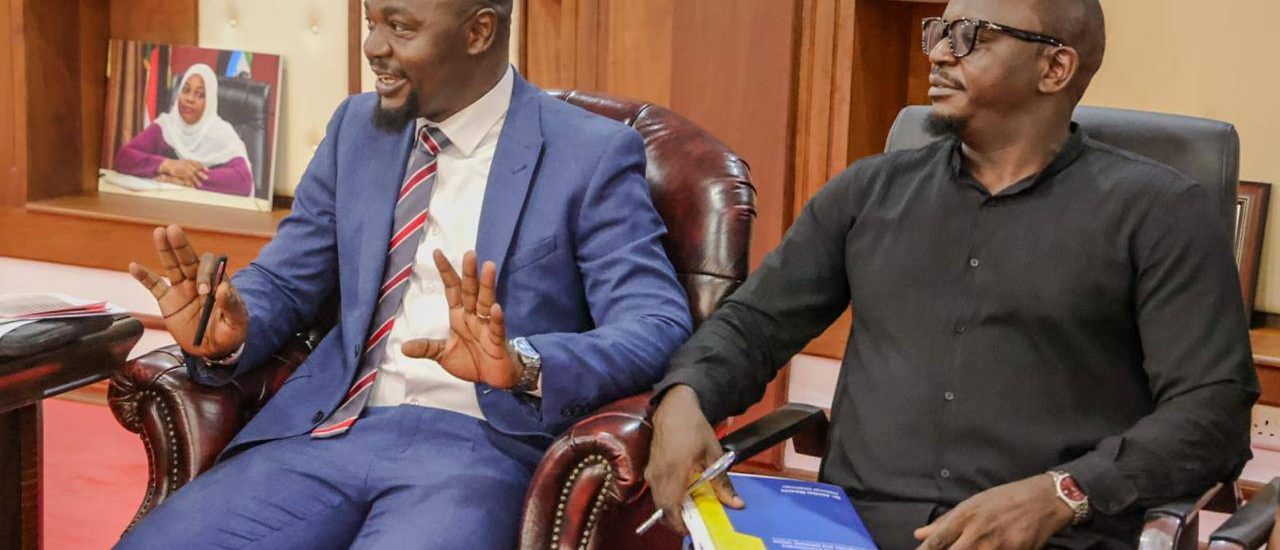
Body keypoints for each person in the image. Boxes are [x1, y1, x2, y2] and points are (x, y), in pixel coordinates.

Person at [645, 0, 1258, 548]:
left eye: (972, 36)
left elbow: (1213, 412)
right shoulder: (867, 193)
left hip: (1051, 534)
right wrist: (685, 396)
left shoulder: (1160, 213)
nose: (939, 52)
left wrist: (1064, 492)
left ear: (1055, 68)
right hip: (853, 530)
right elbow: (754, 325)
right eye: (939, 31)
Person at [116, 0, 691, 548]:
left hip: (478, 450)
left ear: (479, 32)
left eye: (400, 26)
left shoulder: (589, 153)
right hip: (330, 427)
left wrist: (523, 363)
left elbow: (654, 323)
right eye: (371, 21)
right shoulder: (356, 129)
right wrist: (231, 331)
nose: (373, 46)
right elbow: (288, 279)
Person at [113, 63, 255, 196]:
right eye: (186, 90)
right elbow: (124, 158)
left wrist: (184, 180)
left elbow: (243, 181)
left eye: (200, 94)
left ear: (210, 102)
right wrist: (168, 165)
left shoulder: (221, 133)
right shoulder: (166, 126)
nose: (189, 99)